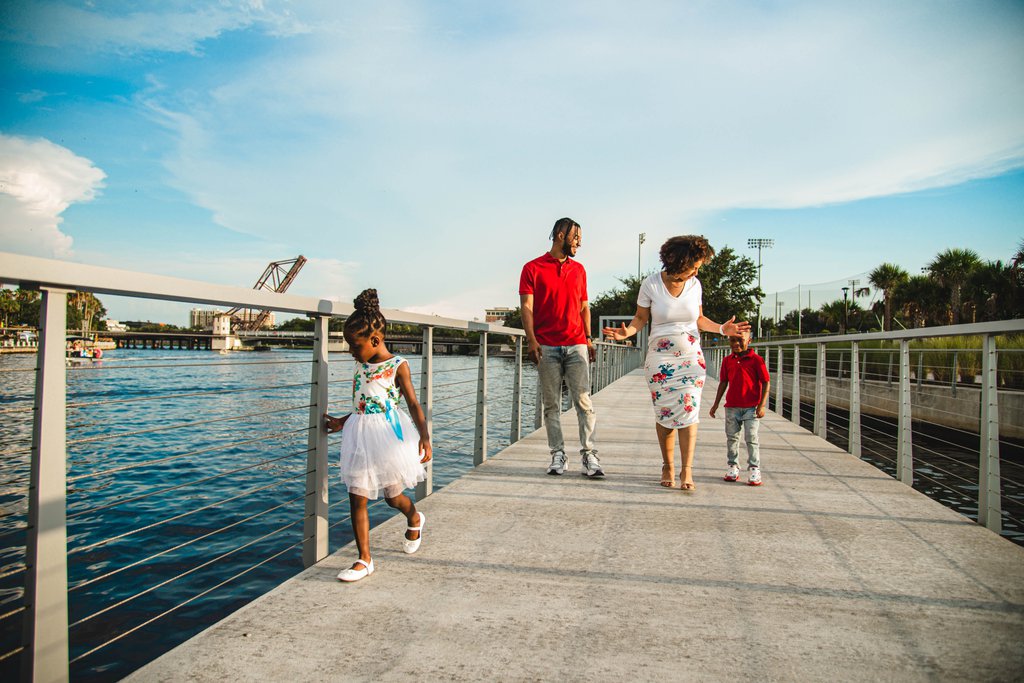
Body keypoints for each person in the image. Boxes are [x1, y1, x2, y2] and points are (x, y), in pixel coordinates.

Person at [602, 235, 750, 491]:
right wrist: (625, 333)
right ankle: (668, 465)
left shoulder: (695, 285)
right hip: (660, 360)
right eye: (693, 265)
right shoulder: (651, 285)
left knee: (690, 412)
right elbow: (640, 319)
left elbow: (699, 319)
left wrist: (722, 329)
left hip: (692, 359)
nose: (696, 271)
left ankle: (687, 470)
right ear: (679, 260)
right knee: (665, 413)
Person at [324, 289, 432, 582]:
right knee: (356, 497)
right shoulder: (360, 364)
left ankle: (413, 517)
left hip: (387, 437)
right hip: (359, 435)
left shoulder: (398, 366)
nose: (350, 352)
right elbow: (364, 406)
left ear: (374, 340)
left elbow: (412, 403)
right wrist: (341, 423)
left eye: (354, 346)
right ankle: (364, 559)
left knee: (392, 496)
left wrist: (424, 437)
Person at [519, 217, 602, 478]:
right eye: (575, 236)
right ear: (560, 235)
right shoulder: (532, 268)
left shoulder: (579, 270)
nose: (580, 242)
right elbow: (527, 307)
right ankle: (558, 454)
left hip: (576, 344)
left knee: (583, 402)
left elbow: (584, 307)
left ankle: (589, 455)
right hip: (547, 346)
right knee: (551, 404)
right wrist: (532, 340)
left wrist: (588, 338)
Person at [708, 330, 770, 486]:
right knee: (732, 438)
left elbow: (766, 382)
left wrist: (761, 405)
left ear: (749, 340)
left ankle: (754, 468)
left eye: (740, 340)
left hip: (751, 407)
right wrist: (715, 404)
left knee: (751, 437)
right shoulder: (727, 360)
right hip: (732, 406)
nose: (736, 344)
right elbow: (723, 382)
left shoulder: (756, 360)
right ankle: (733, 465)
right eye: (732, 340)